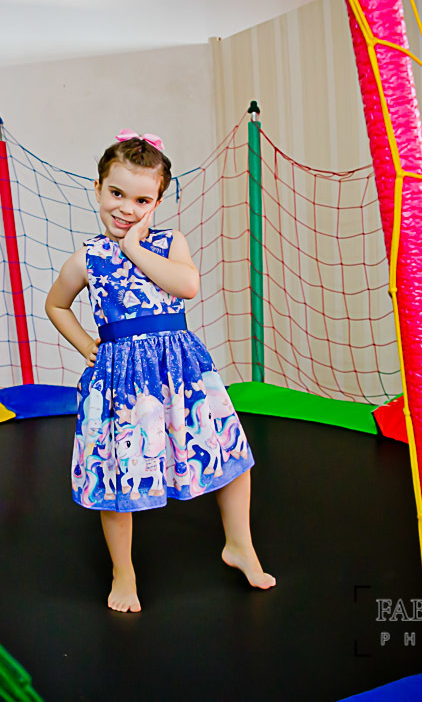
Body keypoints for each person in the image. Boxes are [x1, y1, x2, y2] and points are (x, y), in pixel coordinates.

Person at [45, 130, 275, 613]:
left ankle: (240, 544)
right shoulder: (86, 259)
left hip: (180, 371)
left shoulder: (169, 243)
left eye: (141, 200)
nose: (126, 208)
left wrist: (134, 247)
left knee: (232, 455)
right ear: (97, 188)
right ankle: (123, 571)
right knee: (118, 477)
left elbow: (187, 285)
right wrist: (87, 346)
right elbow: (56, 305)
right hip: (124, 383)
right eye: (116, 193)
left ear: (157, 203)